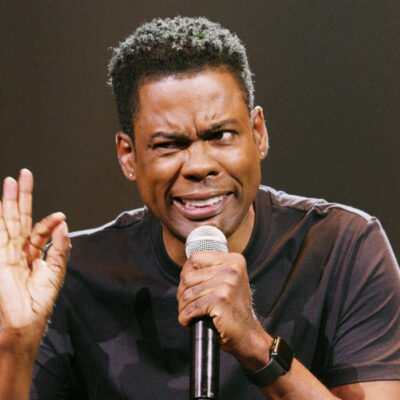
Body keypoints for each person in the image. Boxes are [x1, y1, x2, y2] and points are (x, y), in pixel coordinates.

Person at [0, 16, 399, 400]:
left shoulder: (342, 250)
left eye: (220, 135)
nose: (199, 165)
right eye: (168, 145)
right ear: (128, 155)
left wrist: (255, 345)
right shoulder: (72, 276)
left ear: (258, 133)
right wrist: (15, 347)